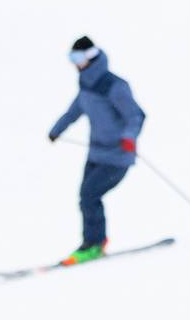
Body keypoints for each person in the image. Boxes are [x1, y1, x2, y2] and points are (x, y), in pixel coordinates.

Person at [48, 37, 145, 264]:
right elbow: (74, 112)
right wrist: (56, 130)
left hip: (117, 157)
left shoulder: (114, 86)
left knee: (89, 196)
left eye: (77, 58)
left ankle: (94, 244)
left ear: (90, 56)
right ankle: (94, 242)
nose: (75, 63)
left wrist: (129, 137)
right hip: (96, 154)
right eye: (71, 58)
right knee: (86, 198)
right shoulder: (86, 86)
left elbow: (136, 115)